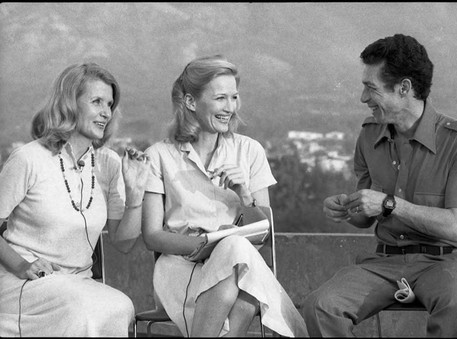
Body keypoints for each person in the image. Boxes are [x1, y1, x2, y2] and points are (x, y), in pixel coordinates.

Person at [303, 34, 457, 337]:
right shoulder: (368, 136)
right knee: (320, 305)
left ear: (404, 88)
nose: (363, 98)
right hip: (382, 263)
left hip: (442, 263)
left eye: (370, 88)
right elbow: (364, 218)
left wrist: (389, 204)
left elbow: (455, 228)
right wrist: (348, 207)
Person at [141, 55, 308, 337]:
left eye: (234, 97)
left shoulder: (250, 151)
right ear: (191, 102)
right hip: (180, 268)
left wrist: (245, 195)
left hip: (238, 267)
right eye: (220, 98)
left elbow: (266, 233)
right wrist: (203, 244)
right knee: (239, 261)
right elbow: (152, 236)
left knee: (234, 250)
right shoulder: (159, 155)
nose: (229, 108)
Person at [0, 62, 151, 336]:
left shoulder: (109, 163)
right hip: (24, 281)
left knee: (121, 305)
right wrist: (22, 265)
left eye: (109, 104)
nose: (106, 112)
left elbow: (124, 242)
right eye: (96, 102)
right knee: (81, 305)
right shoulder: (28, 159)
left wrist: (136, 193)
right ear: (70, 103)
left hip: (77, 282)